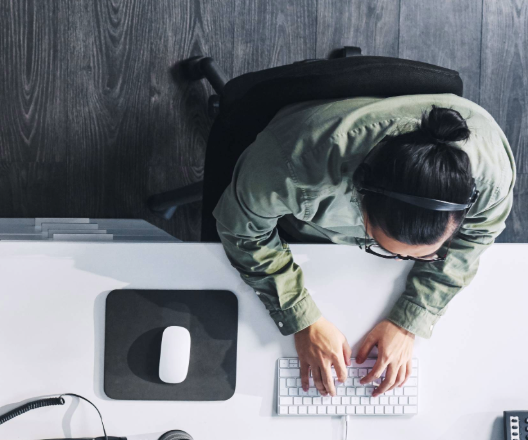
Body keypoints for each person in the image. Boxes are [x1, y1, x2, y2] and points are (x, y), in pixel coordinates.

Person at [214, 97, 514, 398]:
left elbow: (475, 238)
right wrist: (302, 319)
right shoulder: (290, 167)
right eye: (388, 250)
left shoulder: (493, 182)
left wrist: (409, 320)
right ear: (361, 202)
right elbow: (242, 232)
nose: (399, 263)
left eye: (422, 255)